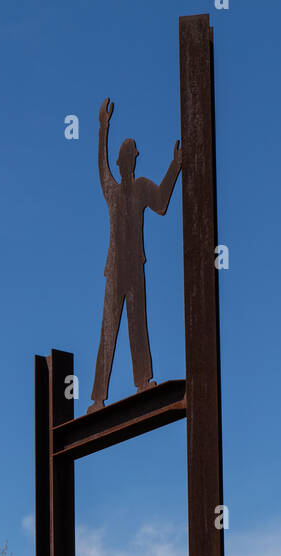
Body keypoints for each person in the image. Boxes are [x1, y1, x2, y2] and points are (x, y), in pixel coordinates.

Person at [88, 98, 182, 413]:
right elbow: (100, 168)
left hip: (135, 267)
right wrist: (103, 128)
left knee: (137, 323)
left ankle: (143, 381)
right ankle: (98, 398)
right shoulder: (112, 193)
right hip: (115, 270)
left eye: (132, 155)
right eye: (127, 155)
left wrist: (176, 166)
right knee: (108, 329)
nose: (131, 158)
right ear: (121, 161)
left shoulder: (142, 188)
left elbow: (162, 202)